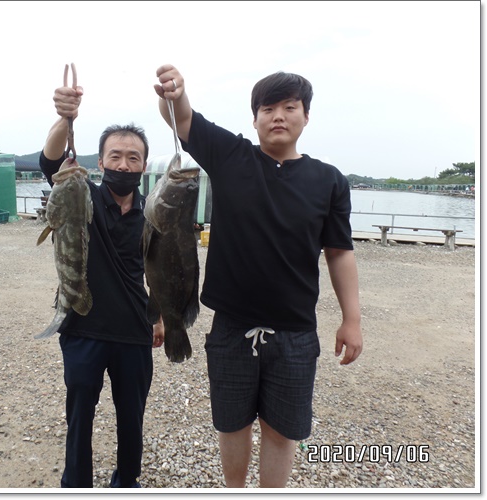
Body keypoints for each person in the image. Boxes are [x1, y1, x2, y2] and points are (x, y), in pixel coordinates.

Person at [153, 65, 363, 488]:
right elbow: (182, 119)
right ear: (255, 119)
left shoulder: (329, 181)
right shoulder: (232, 156)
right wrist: (174, 94)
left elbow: (339, 252)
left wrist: (352, 319)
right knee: (232, 425)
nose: (278, 116)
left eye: (290, 107)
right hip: (231, 327)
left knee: (281, 431)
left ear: (306, 116)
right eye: (268, 108)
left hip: (295, 332)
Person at [39, 74, 164, 488]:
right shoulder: (81, 194)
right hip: (82, 327)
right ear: (100, 162)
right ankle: (77, 484)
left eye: (133, 158)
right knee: (80, 415)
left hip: (134, 330)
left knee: (132, 416)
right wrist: (65, 118)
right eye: (115, 156)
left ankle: (126, 482)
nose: (123, 165)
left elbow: (155, 268)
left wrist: (160, 316)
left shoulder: (152, 212)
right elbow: (51, 161)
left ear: (143, 165)